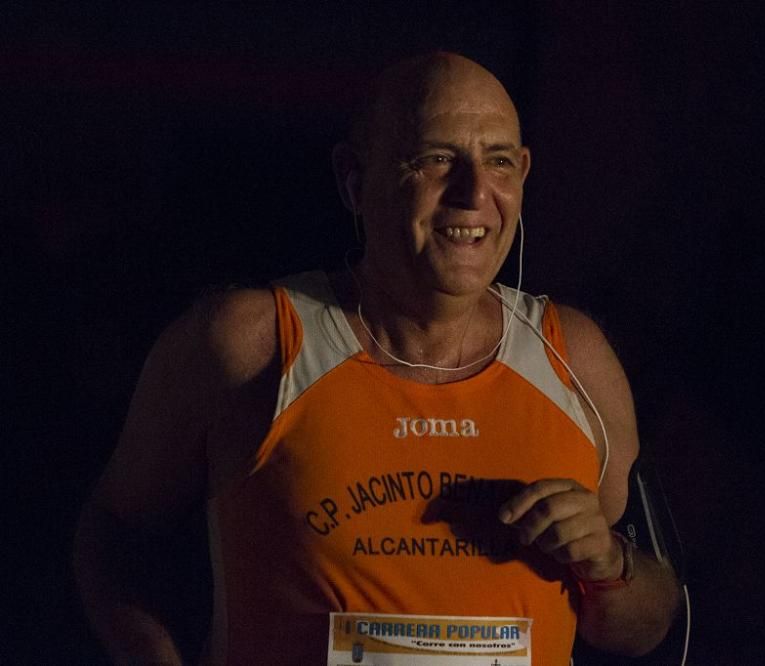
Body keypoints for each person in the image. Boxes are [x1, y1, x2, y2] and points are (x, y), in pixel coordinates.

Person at [74, 52, 680, 665]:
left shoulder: (574, 357)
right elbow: (115, 535)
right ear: (354, 179)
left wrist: (610, 564)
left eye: (498, 161)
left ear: (522, 173)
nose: (474, 194)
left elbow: (647, 627)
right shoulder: (251, 344)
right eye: (436, 158)